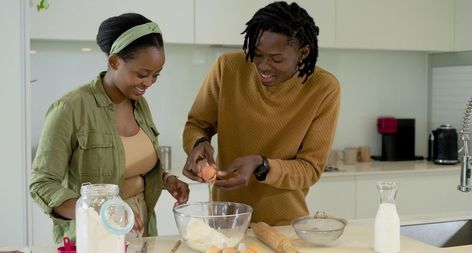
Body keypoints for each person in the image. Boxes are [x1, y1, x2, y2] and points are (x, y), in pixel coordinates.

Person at [30, 13, 189, 243]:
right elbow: (41, 183)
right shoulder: (70, 108)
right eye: (142, 74)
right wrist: (103, 211)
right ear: (114, 61)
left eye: (156, 75)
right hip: (93, 236)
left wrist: (166, 180)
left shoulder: (140, 105)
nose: (149, 83)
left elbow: (129, 166)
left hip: (142, 232)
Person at [182, 1, 340, 226]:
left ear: (303, 53)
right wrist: (198, 144)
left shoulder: (323, 88)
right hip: (226, 220)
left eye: (276, 59)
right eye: (256, 54)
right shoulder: (228, 67)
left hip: (284, 224)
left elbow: (310, 169)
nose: (263, 66)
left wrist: (262, 165)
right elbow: (196, 124)